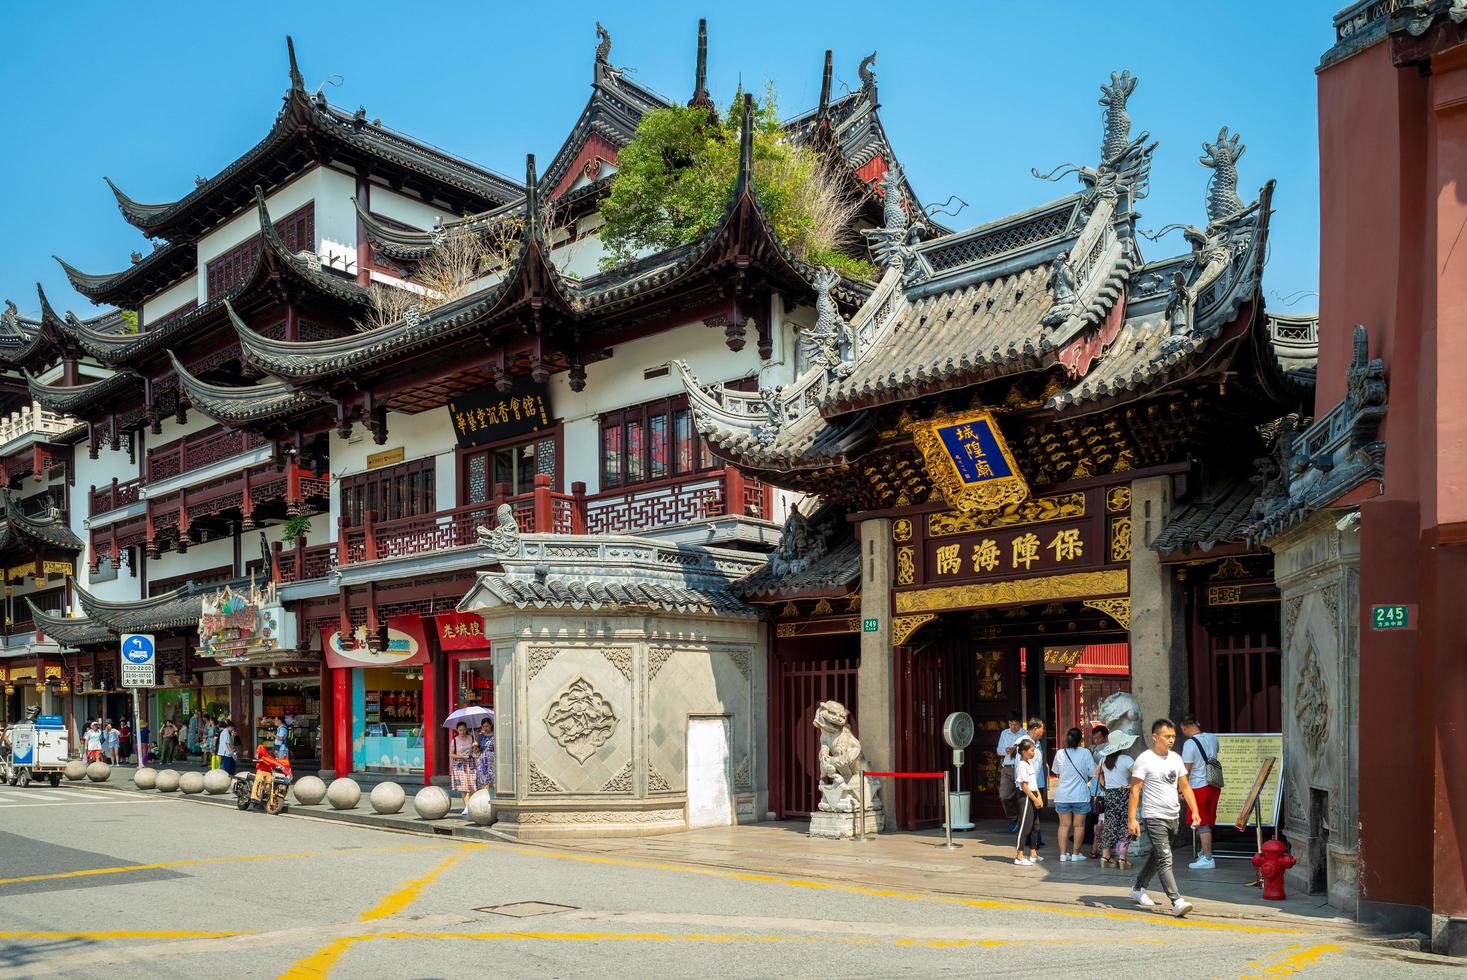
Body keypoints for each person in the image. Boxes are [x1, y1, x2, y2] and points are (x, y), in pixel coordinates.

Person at [1127, 718, 1201, 918]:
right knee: (1165, 857)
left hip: (1173, 815)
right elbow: (1135, 791)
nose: (1171, 740)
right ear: (1155, 737)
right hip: (1154, 816)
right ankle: (1176, 900)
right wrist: (1132, 819)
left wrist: (1194, 810)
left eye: (1173, 736)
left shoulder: (1176, 758)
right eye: (1167, 736)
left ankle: (1138, 887)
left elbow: (1185, 786)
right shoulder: (1144, 759)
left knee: (1159, 855)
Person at [1179, 713, 1221, 870]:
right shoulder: (1212, 737)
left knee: (1201, 823)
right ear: (1197, 723)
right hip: (1214, 785)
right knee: (1208, 821)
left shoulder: (1189, 744)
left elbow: (1186, 771)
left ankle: (1208, 858)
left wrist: (1181, 791)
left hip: (1198, 787)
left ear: (1183, 727)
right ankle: (1204, 852)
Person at [1095, 730, 1136, 869]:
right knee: (1125, 826)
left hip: (1110, 795)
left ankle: (1105, 857)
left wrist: (1105, 785)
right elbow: (1138, 774)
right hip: (1123, 795)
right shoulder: (1126, 759)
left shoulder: (1104, 759)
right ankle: (1122, 859)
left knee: (1110, 825)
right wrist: (1131, 786)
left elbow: (1097, 773)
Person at [1050, 726, 1092, 862]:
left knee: (1063, 825)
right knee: (1079, 826)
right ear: (1080, 740)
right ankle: (1075, 854)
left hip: (1062, 795)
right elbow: (1092, 772)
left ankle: (1063, 854)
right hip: (1080, 795)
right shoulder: (1085, 753)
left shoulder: (1060, 753)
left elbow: (1056, 772)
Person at [1012, 738, 1043, 866]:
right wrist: (1034, 799)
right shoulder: (1021, 765)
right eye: (1031, 750)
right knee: (1025, 826)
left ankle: (1033, 853)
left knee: (1035, 826)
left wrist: (1039, 797)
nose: (1033, 752)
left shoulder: (1029, 764)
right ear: (1024, 752)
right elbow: (1024, 785)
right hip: (1026, 797)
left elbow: (1033, 784)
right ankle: (1019, 855)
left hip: (1033, 794)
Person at [995, 716, 1025, 832]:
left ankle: (1022, 821)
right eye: (1011, 724)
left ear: (1020, 723)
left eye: (1016, 724)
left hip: (1020, 767)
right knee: (1004, 795)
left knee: (1021, 796)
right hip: (1007, 768)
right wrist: (1006, 750)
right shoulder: (1004, 733)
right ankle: (1013, 817)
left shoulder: (1024, 734)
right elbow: (999, 750)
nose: (1013, 727)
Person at [1026, 718, 1047, 848]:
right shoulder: (1024, 742)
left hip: (1039, 782)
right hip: (1030, 783)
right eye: (1042, 728)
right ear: (1035, 729)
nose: (1043, 731)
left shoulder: (1038, 743)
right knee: (1030, 814)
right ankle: (1032, 840)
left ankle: (1035, 839)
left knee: (1036, 812)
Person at [450, 721, 476, 814]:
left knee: (472, 785)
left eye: (464, 729)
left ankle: (472, 805)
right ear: (457, 730)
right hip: (459, 765)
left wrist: (475, 747)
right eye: (460, 730)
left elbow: (475, 752)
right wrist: (460, 757)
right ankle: (467, 807)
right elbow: (451, 754)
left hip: (470, 763)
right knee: (463, 787)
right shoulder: (455, 740)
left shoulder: (471, 738)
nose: (462, 731)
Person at [474, 717, 496, 796]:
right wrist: (475, 746)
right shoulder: (480, 736)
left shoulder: (495, 735)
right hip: (482, 759)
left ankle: (496, 798)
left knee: (494, 780)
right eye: (483, 726)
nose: (485, 728)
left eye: (487, 726)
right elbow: (476, 751)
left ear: (491, 725)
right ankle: (485, 799)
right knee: (484, 781)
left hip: (492, 759)